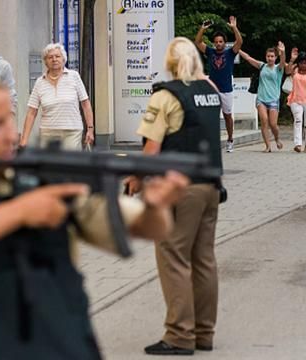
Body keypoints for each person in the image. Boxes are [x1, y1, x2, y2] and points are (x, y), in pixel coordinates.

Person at [0, 65, 188, 359]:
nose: (10, 135)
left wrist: (155, 204)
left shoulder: (41, 177)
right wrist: (20, 212)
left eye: (9, 119)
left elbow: (147, 227)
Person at [125, 37, 224, 355]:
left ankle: (179, 335)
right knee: (204, 259)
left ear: (169, 62)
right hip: (211, 186)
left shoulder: (166, 96)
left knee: (173, 257)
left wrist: (136, 178)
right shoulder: (210, 92)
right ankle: (204, 333)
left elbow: (151, 149)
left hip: (179, 189)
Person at [20, 43, 94, 150]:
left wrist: (90, 129)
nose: (54, 59)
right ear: (45, 62)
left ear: (63, 59)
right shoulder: (40, 82)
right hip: (48, 133)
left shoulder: (74, 76)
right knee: (50, 165)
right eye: (50, 57)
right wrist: (24, 140)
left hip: (72, 132)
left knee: (69, 165)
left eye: (57, 56)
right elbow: (31, 112)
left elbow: (85, 104)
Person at [195, 16, 242, 152]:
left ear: (224, 42)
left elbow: (239, 41)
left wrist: (234, 28)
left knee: (227, 116)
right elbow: (198, 42)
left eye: (221, 41)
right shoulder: (210, 52)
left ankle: (230, 139)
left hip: (227, 90)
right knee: (210, 116)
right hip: (213, 89)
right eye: (216, 42)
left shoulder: (230, 53)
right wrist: (202, 29)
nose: (218, 44)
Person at [239, 42, 286, 152]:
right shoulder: (262, 66)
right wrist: (238, 50)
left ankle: (277, 138)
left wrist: (282, 51)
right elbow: (249, 58)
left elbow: (283, 61)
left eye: (272, 56)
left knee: (273, 124)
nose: (270, 58)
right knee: (264, 121)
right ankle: (267, 146)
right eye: (268, 56)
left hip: (274, 99)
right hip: (261, 99)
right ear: (266, 57)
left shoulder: (278, 68)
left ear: (275, 57)